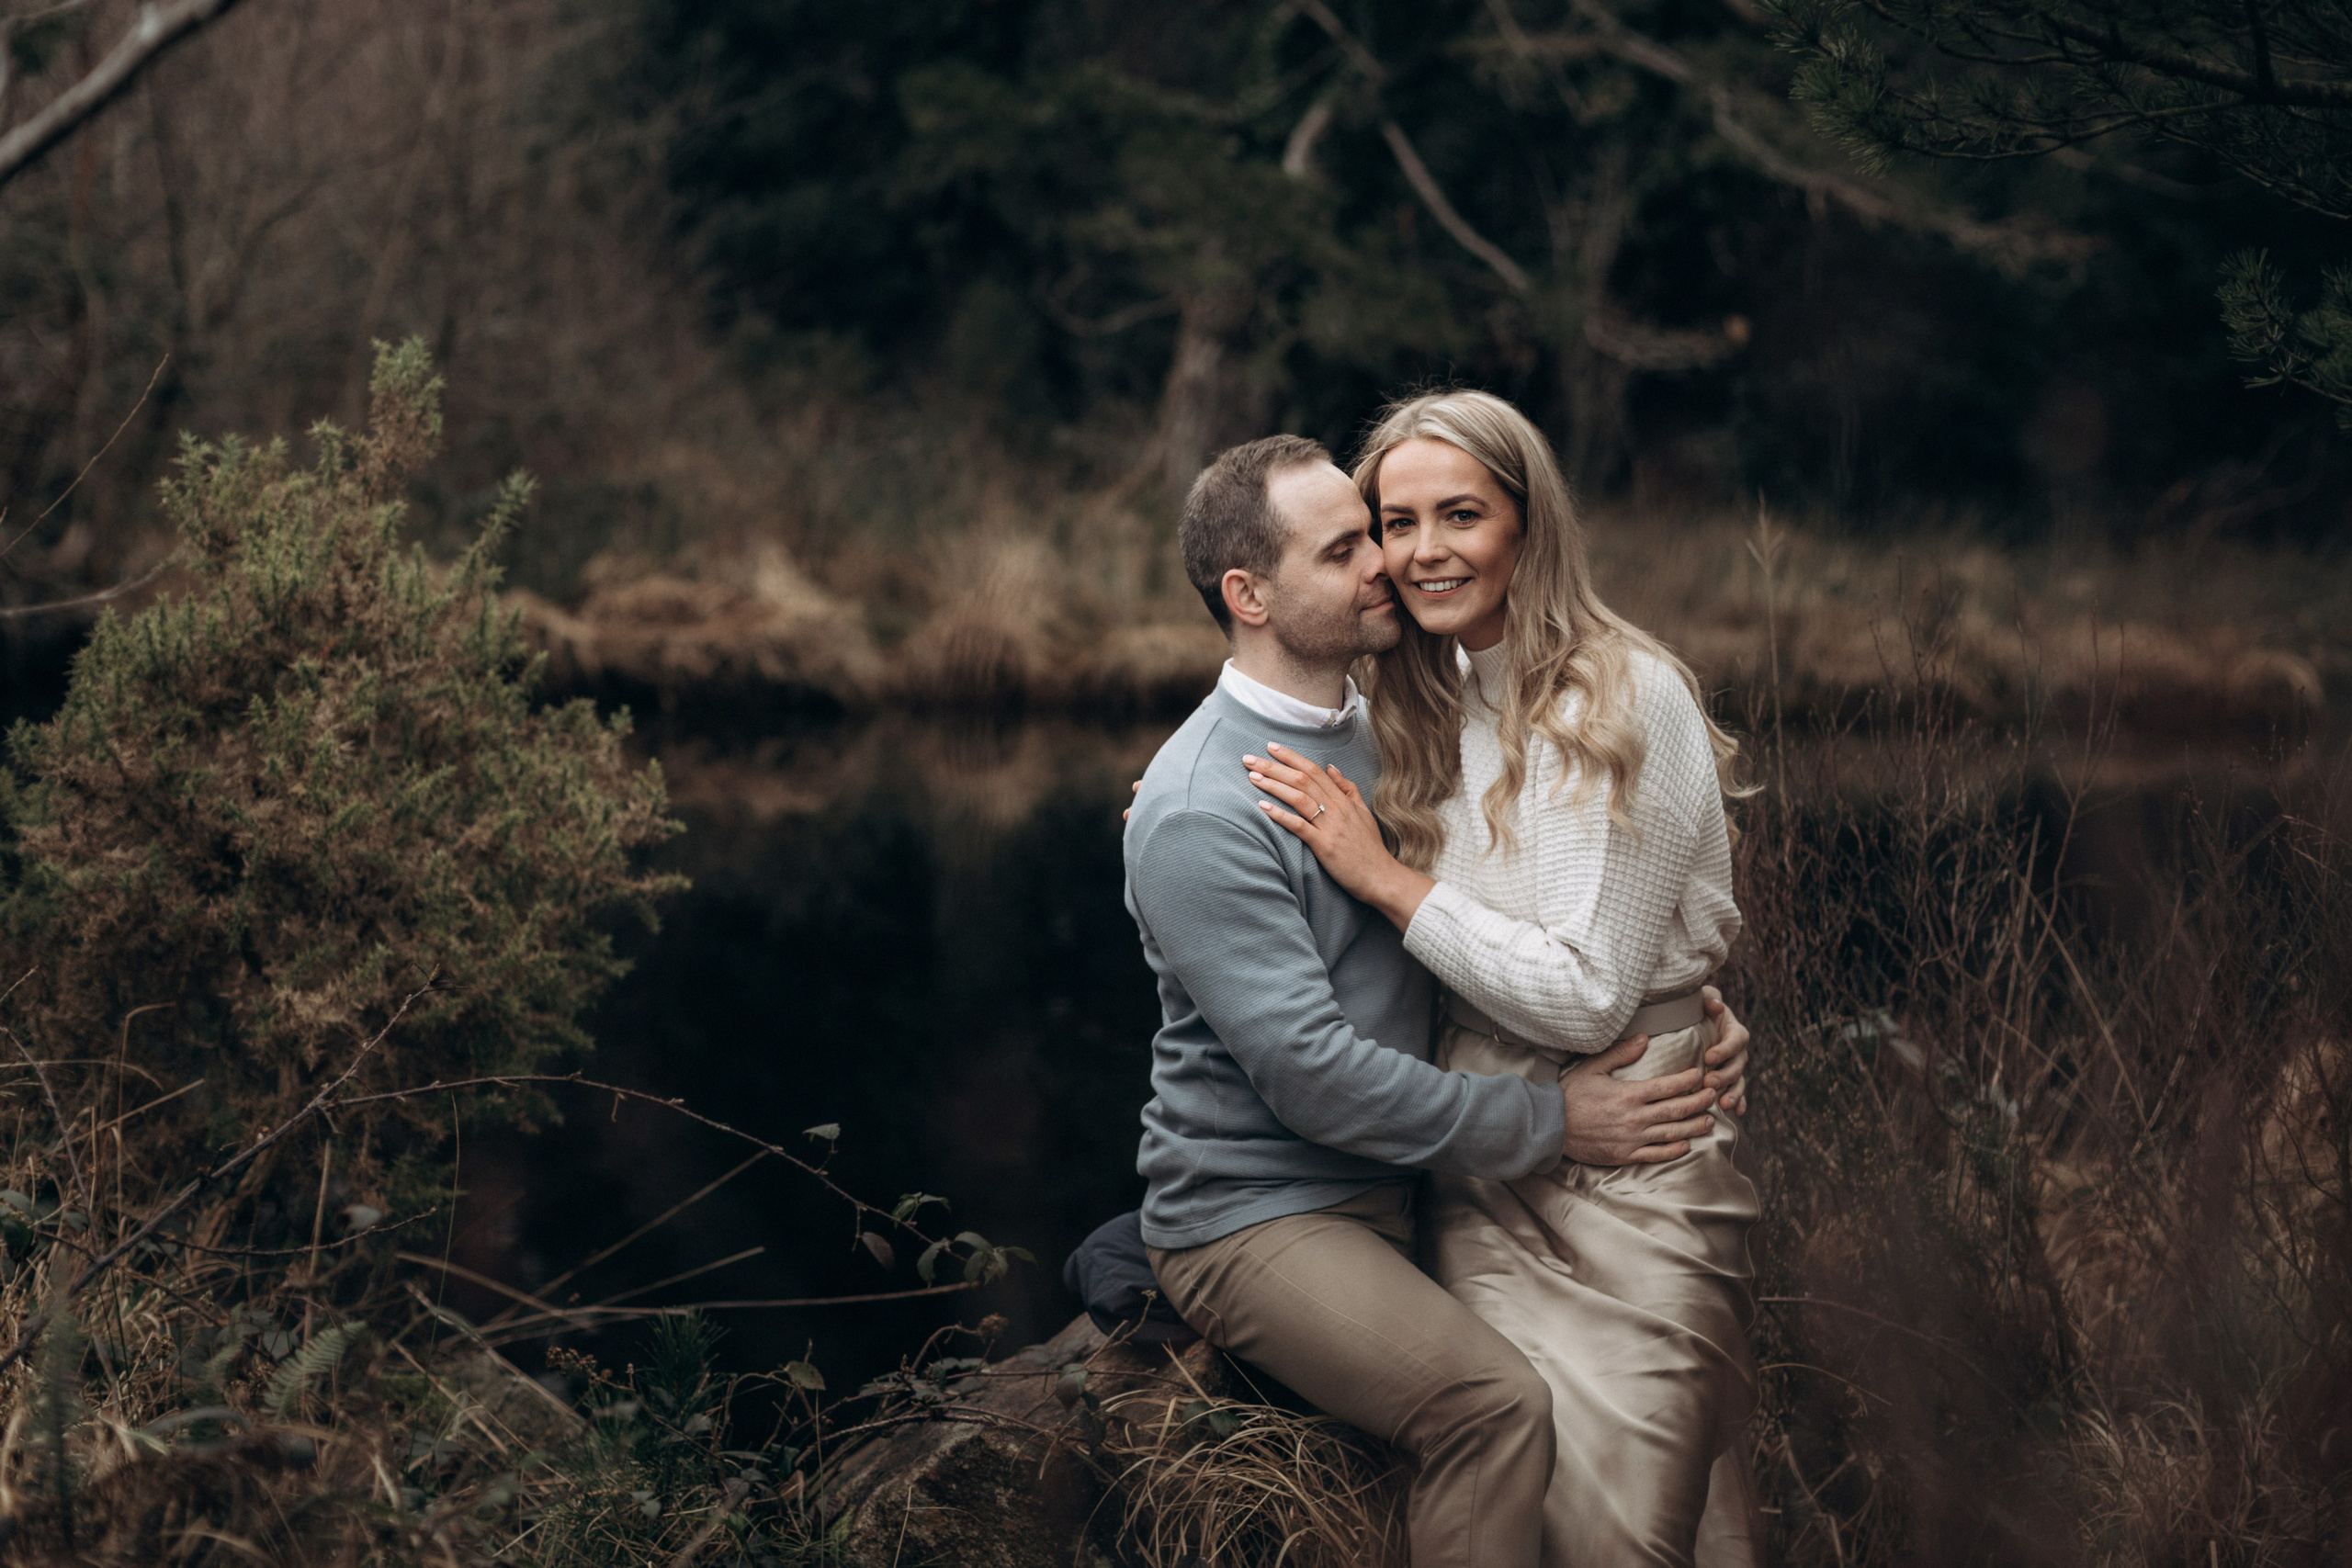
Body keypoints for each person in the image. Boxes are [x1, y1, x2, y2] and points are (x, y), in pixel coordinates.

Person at [1123, 432, 1751, 1568]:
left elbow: (1535, 912)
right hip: (1267, 1206)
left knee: (1670, 1461)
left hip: (1410, 1172)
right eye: (1349, 547)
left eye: (1379, 533)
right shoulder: (1200, 805)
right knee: (1494, 1407)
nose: (1387, 565)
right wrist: (1560, 1121)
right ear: (1248, 594)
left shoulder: (1393, 727)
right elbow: (1312, 1073)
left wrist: (1684, 1010)